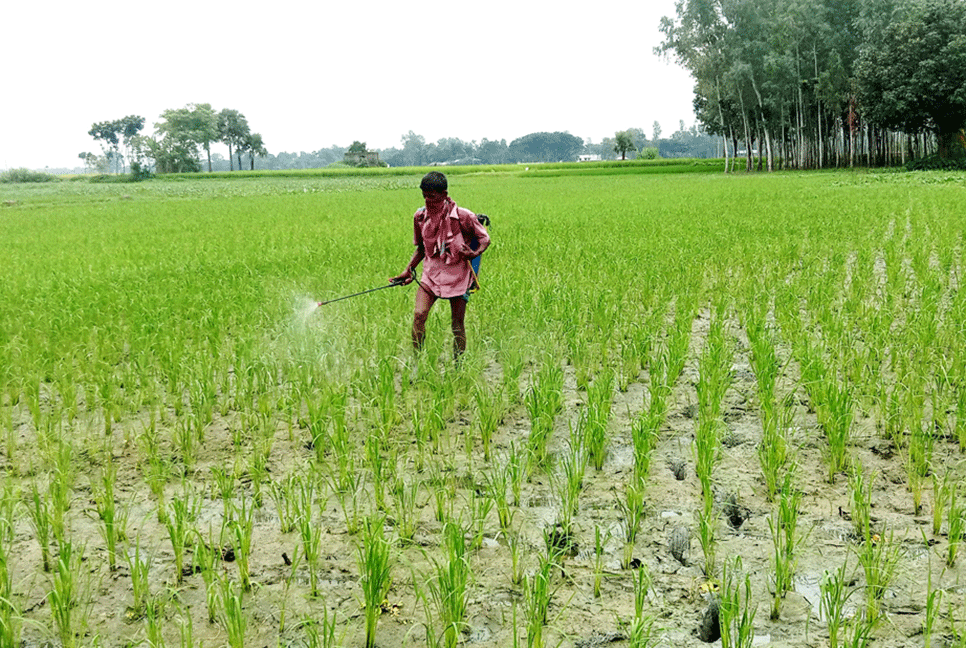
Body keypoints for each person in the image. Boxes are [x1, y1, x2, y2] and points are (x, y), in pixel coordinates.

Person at [390, 171, 490, 360]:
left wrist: (474, 253)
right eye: (425, 196)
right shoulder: (420, 217)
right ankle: (417, 363)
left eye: (432, 197)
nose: (428, 201)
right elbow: (421, 248)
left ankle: (459, 366)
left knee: (457, 324)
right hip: (431, 273)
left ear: (444, 195)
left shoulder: (463, 216)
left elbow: (485, 239)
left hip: (459, 274)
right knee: (419, 315)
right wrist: (408, 270)